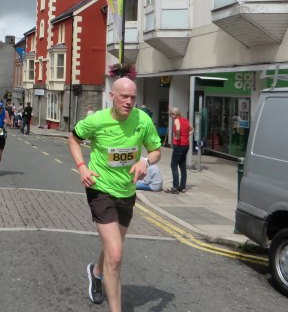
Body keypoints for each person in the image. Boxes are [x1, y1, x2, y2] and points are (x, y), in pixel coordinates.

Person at [67, 77, 161, 311]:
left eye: (133, 97)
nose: (129, 102)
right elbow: (74, 139)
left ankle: (96, 272)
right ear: (112, 96)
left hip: (127, 191)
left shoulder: (143, 120)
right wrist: (82, 167)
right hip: (100, 189)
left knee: (113, 247)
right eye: (124, 97)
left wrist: (146, 161)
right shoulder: (97, 120)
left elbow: (156, 150)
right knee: (116, 253)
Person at [165, 107, 194, 194]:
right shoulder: (185, 120)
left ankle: (175, 187)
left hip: (179, 145)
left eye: (171, 114)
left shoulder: (177, 120)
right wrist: (186, 135)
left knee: (174, 165)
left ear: (175, 114)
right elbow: (192, 129)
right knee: (182, 165)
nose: (170, 116)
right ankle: (183, 187)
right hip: (186, 145)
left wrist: (177, 137)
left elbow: (177, 129)